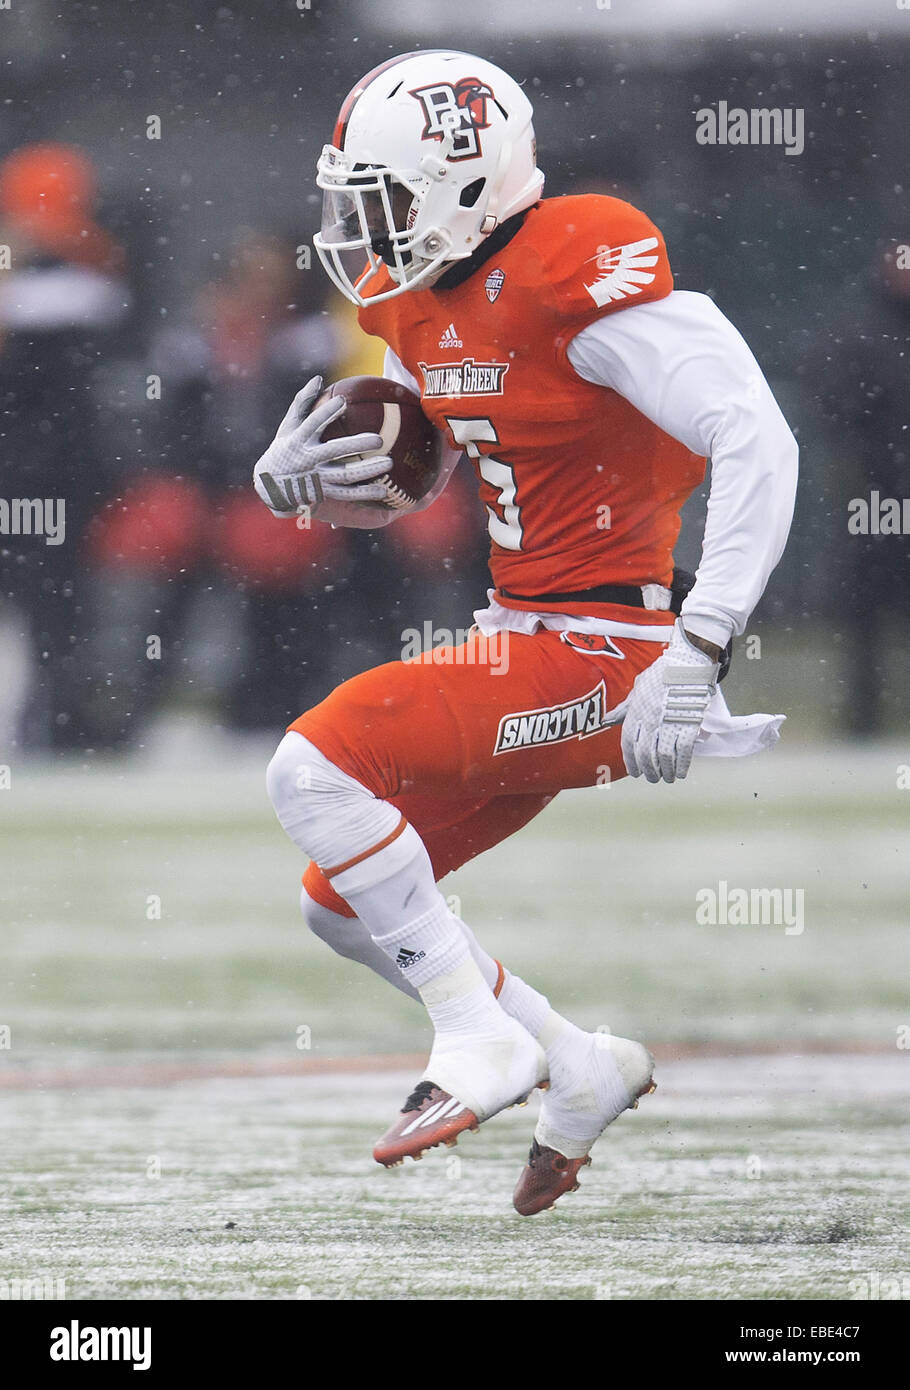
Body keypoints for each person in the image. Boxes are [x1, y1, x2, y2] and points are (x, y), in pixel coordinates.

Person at [253, 50, 798, 1215]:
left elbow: (759, 439)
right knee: (338, 902)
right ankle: (574, 1057)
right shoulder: (416, 299)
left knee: (312, 766)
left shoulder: (574, 270)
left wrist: (701, 647)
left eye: (385, 198)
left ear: (460, 181)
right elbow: (469, 452)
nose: (363, 228)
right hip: (530, 634)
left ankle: (479, 1037)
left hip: (616, 655)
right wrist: (321, 488)